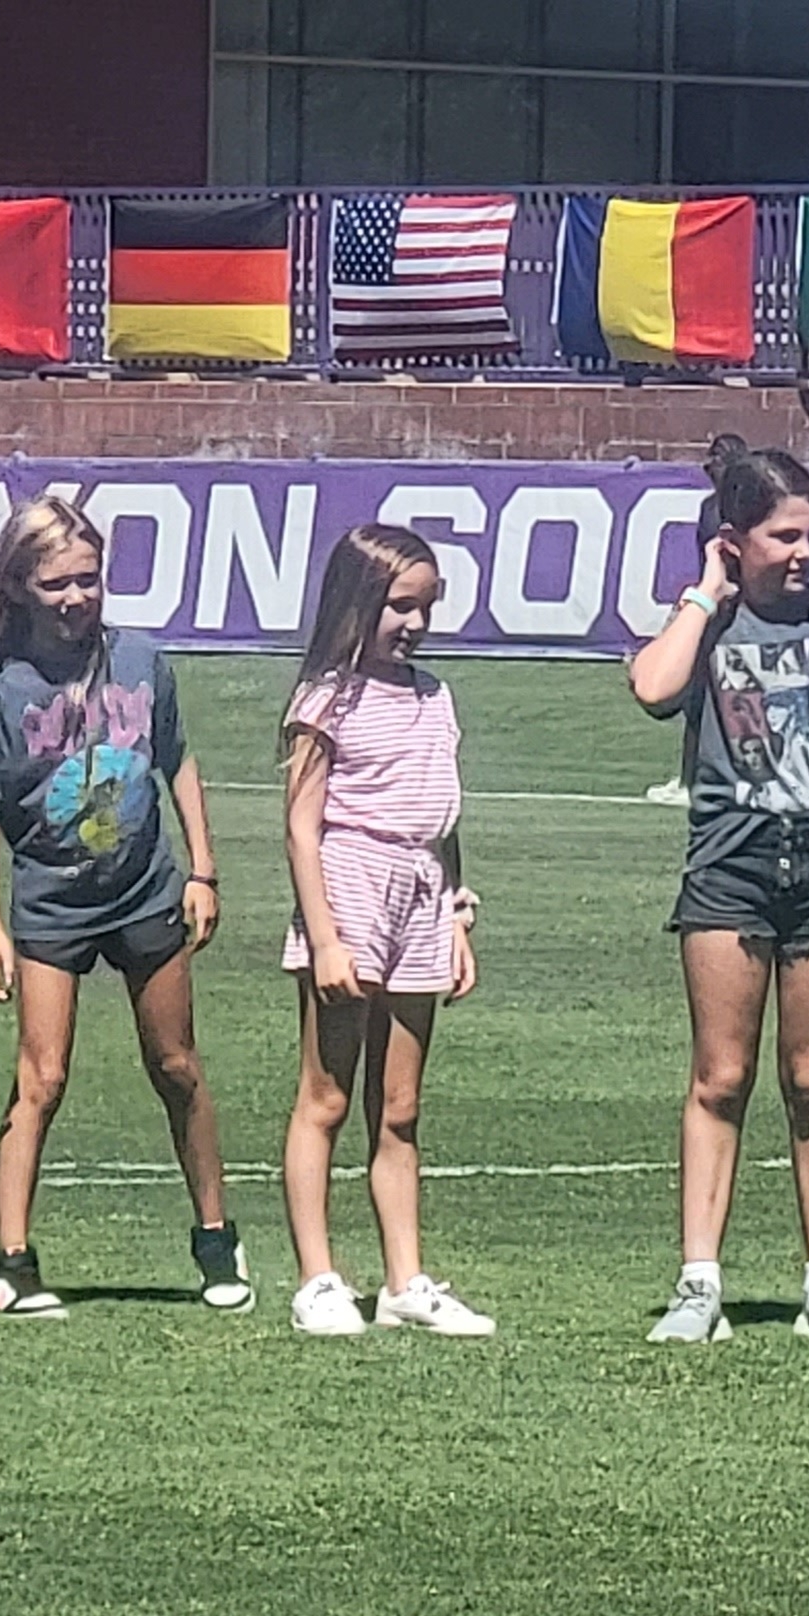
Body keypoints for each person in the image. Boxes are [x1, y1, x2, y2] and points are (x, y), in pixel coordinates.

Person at [625, 434, 809, 1351]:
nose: (805, 555)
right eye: (786, 537)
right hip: (731, 867)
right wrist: (705, 593)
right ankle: (698, 1282)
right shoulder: (708, 623)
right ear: (735, 539)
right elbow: (651, 688)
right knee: (720, 1076)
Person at [0, 494, 251, 1319]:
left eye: (88, 579)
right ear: (19, 589)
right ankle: (11, 1259)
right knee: (40, 1078)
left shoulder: (143, 664)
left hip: (146, 888)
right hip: (49, 905)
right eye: (57, 584)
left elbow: (175, 762)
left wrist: (204, 870)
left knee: (177, 1066)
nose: (77, 597)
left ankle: (217, 1240)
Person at [278, 520, 490, 1340]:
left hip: (422, 893)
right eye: (400, 606)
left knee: (399, 1107)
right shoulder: (326, 698)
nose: (416, 623)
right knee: (325, 1095)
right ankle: (319, 1279)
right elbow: (301, 827)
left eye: (426, 607)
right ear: (359, 604)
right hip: (353, 886)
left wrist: (458, 911)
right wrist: (328, 938)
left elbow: (445, 814)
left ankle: (406, 1281)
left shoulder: (436, 696)